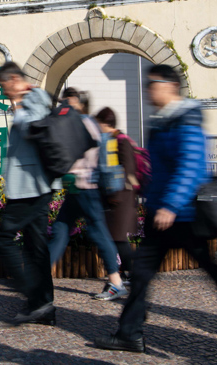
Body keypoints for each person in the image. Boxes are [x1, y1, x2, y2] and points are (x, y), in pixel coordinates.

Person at [95, 65, 217, 357]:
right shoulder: (162, 121)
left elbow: (190, 165)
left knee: (216, 274)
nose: (148, 90)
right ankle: (129, 333)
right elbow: (158, 168)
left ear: (170, 85)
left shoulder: (186, 119)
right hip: (162, 213)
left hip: (183, 215)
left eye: (152, 84)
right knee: (142, 275)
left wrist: (171, 205)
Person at [0, 61, 58, 325]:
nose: (3, 92)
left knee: (4, 236)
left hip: (32, 187)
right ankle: (42, 306)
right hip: (32, 186)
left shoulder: (35, 96)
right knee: (35, 247)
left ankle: (30, 290)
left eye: (3, 86)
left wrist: (19, 104)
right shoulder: (26, 99)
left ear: (12, 80)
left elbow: (33, 126)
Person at [48, 91, 127, 301]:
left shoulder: (85, 123)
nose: (65, 104)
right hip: (76, 188)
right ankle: (41, 276)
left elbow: (92, 156)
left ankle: (116, 282)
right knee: (60, 229)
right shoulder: (75, 122)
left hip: (87, 186)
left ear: (79, 104)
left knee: (98, 232)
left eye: (69, 100)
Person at [92, 107, 139, 299]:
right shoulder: (111, 140)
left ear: (105, 123)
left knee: (117, 239)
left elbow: (128, 169)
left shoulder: (119, 141)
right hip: (114, 199)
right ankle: (125, 274)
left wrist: (117, 194)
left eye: (99, 123)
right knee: (116, 239)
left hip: (120, 200)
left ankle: (125, 276)